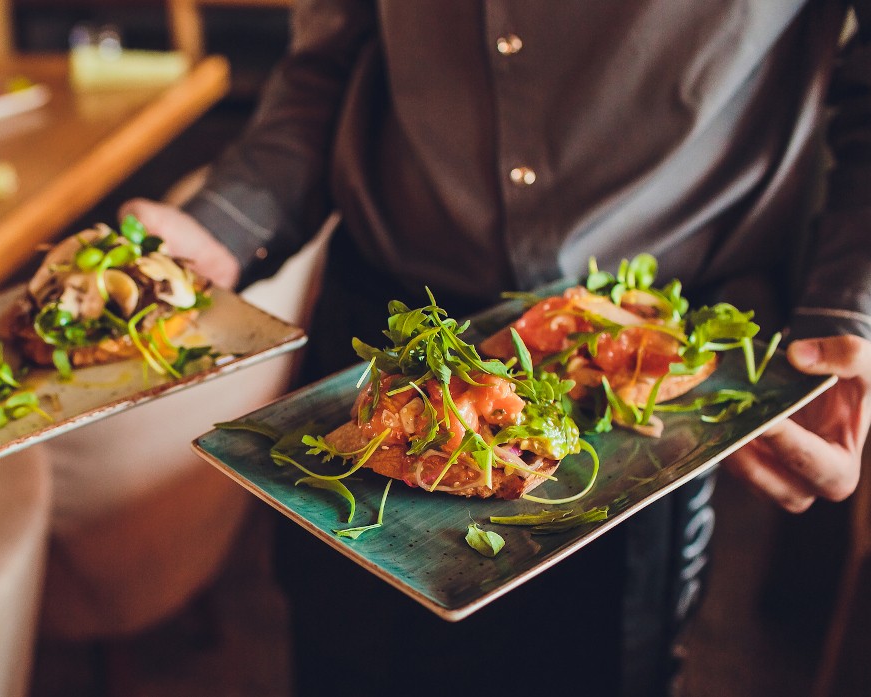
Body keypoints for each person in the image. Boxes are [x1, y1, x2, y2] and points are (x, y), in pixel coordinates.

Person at [122, 1, 871, 695]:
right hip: (382, 339)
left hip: (643, 393)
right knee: (343, 662)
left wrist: (849, 311)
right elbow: (329, 60)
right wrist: (225, 223)